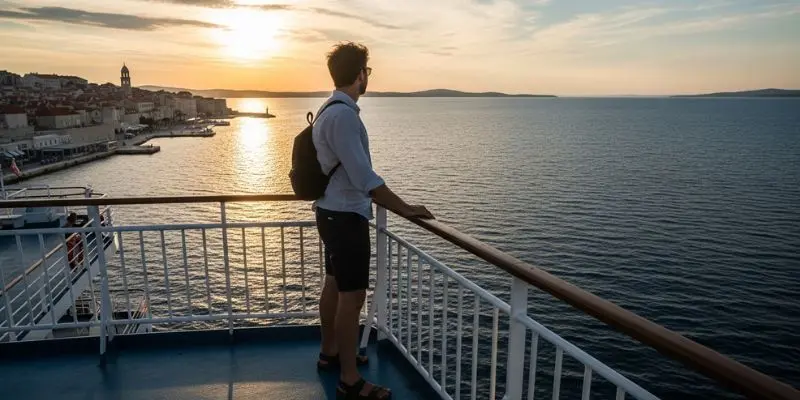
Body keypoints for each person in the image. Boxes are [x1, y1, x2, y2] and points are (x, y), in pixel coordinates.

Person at [312, 42, 434, 399]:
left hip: (329, 211)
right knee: (352, 298)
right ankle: (350, 381)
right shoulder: (344, 116)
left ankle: (329, 352)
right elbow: (366, 178)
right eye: (368, 70)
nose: (368, 76)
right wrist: (407, 208)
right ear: (359, 74)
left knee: (334, 285)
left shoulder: (328, 109)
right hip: (345, 217)